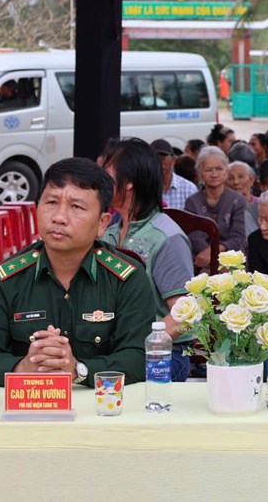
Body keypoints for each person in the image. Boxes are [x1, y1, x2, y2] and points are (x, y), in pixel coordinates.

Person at [0, 158, 157, 387]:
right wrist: (23, 368)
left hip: (102, 410)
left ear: (102, 223)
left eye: (76, 207)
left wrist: (78, 370)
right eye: (51, 202)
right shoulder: (6, 278)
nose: (59, 217)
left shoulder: (127, 278)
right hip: (27, 409)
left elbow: (139, 357)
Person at [100, 138, 195, 381]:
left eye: (106, 173)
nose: (98, 181)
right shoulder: (109, 232)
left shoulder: (166, 237)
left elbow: (183, 316)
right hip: (117, 350)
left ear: (129, 182)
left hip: (164, 354)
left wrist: (137, 348)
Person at [184, 147, 247, 270]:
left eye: (219, 169)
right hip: (201, 261)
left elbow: (238, 237)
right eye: (208, 170)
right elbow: (194, 237)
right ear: (199, 173)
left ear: (226, 171)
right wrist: (210, 257)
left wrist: (215, 253)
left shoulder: (238, 201)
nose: (214, 174)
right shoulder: (192, 202)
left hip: (232, 261)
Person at [152, 139, 197, 210]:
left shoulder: (189, 188)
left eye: (163, 158)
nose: (160, 163)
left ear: (173, 160)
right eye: (155, 158)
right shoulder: (143, 190)